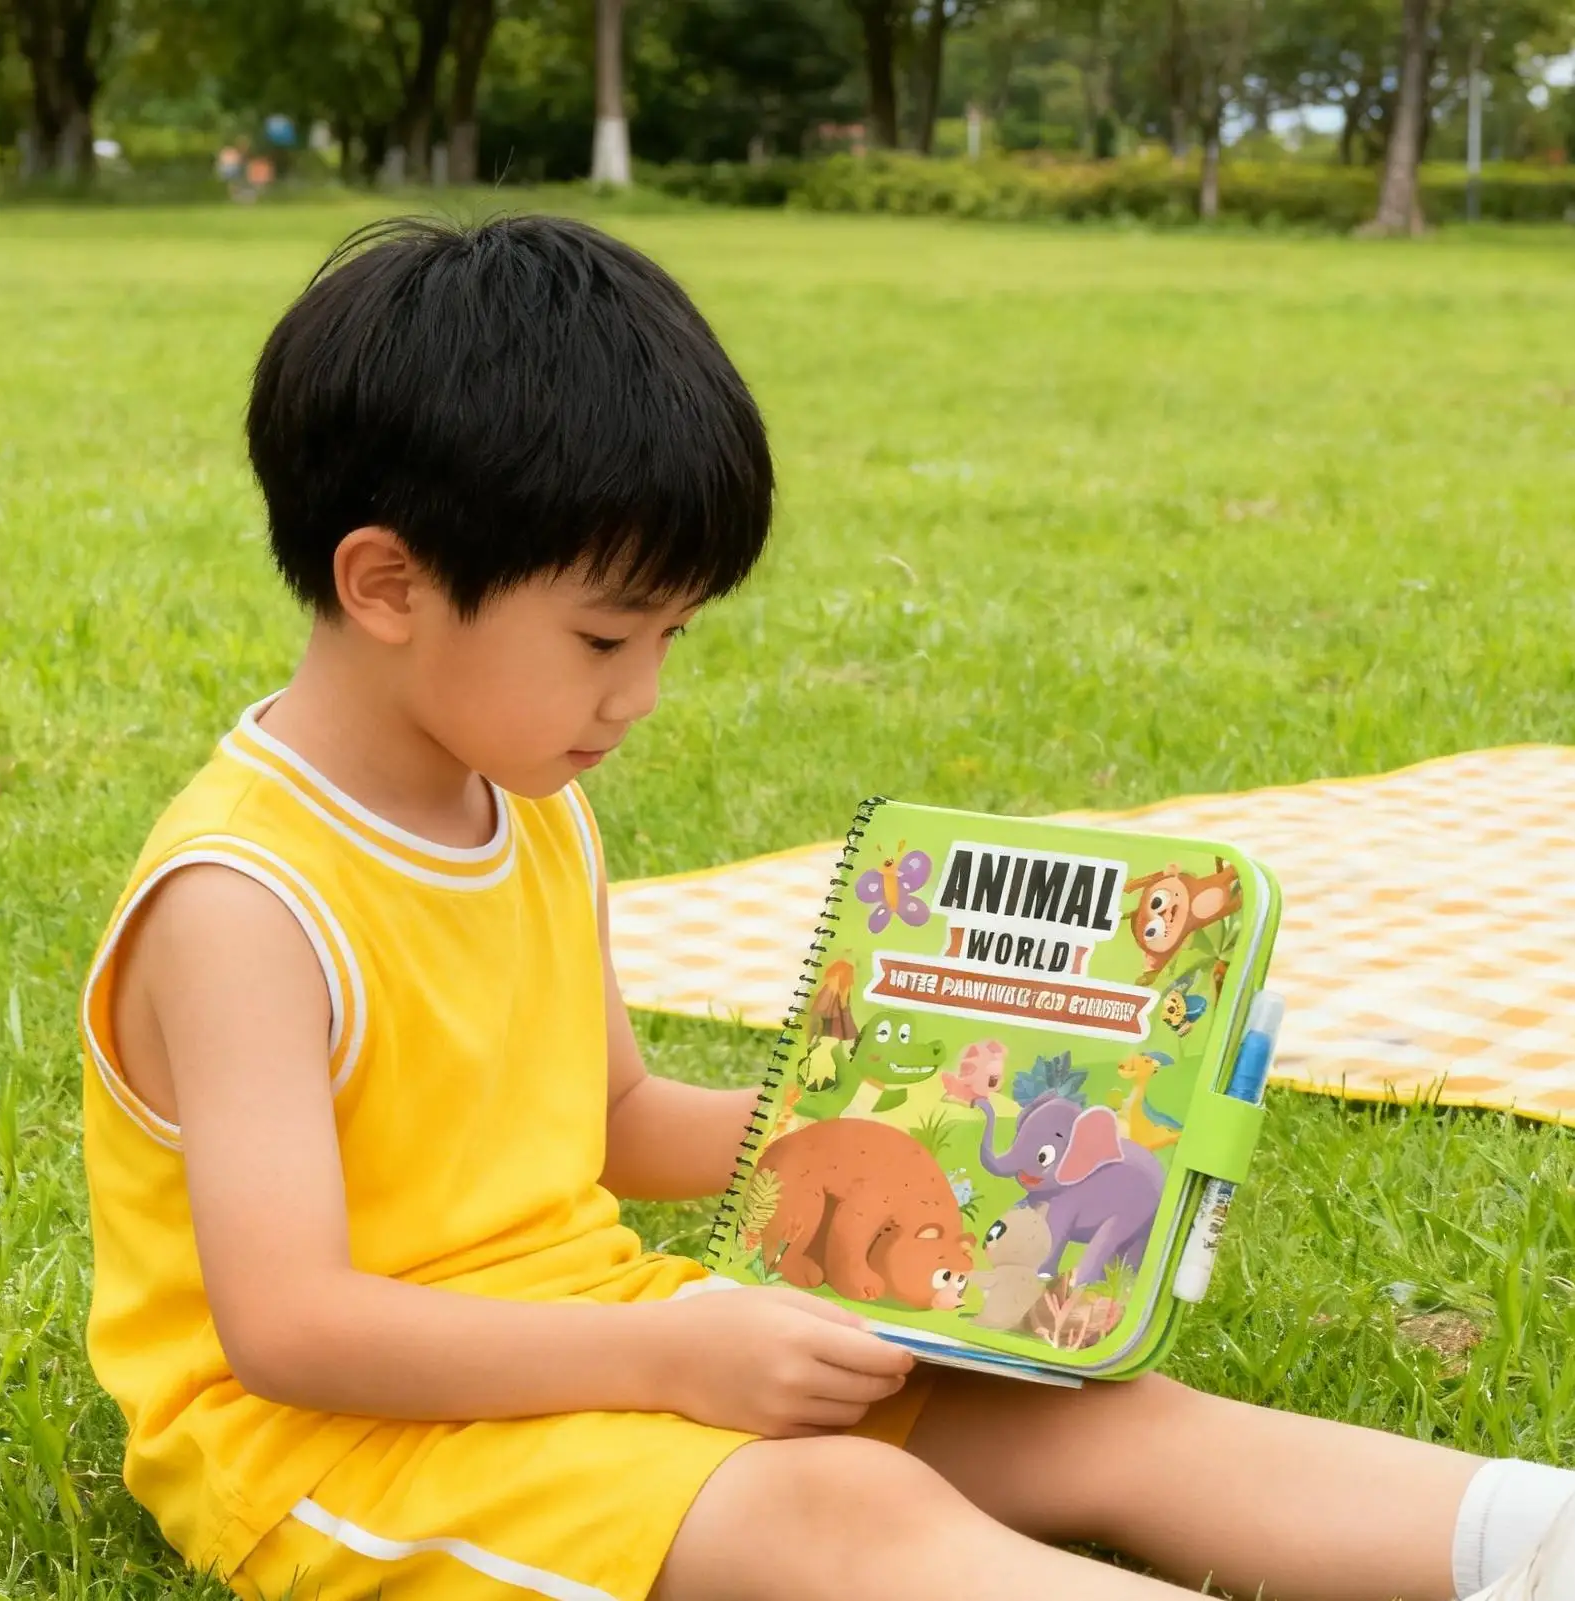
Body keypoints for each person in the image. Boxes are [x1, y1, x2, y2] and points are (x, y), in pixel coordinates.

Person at [80, 213, 1573, 1601]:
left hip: (595, 1327)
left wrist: (930, 1146)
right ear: (389, 585)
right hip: (325, 1442)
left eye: (671, 638)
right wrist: (668, 1359)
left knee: (1079, 1412)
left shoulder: (528, 805)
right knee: (846, 1510)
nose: (640, 696)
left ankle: (1539, 1539)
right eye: (604, 639)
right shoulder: (246, 903)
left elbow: (613, 1120)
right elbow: (294, 1329)